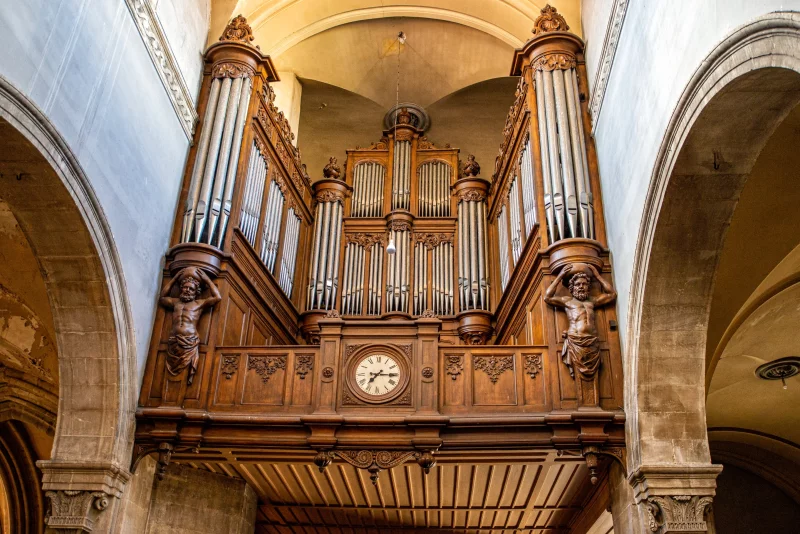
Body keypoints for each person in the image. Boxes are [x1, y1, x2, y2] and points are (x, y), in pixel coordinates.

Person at [544, 263, 616, 379]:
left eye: (584, 284)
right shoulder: (567, 301)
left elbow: (611, 294)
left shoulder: (592, 301)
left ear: (588, 286)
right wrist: (560, 276)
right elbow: (547, 297)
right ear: (572, 288)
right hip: (576, 340)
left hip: (592, 341)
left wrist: (597, 276)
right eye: (578, 284)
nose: (581, 286)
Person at [159, 267, 221, 385]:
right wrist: (175, 278)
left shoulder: (198, 304)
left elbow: (217, 297)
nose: (187, 290)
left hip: (189, 342)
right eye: (185, 287)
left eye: (191, 289)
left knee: (182, 378)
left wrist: (207, 279)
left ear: (196, 291)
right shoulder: (176, 302)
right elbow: (162, 297)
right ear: (181, 288)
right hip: (173, 341)